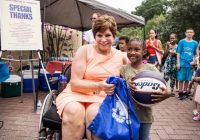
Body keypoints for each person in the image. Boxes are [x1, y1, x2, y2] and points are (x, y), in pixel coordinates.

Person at [56, 15, 127, 140]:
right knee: (73, 111)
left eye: (107, 35)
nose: (103, 39)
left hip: (105, 98)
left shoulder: (121, 57)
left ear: (114, 36)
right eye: (99, 35)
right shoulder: (85, 50)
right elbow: (75, 84)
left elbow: (135, 76)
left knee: (96, 113)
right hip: (76, 93)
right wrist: (99, 86)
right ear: (94, 36)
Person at [120, 37, 171, 140]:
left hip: (145, 114)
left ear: (143, 52)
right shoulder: (124, 69)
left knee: (144, 137)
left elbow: (164, 84)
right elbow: (120, 89)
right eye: (129, 49)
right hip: (128, 113)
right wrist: (125, 83)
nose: (132, 52)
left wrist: (168, 93)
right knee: (129, 137)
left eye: (136, 49)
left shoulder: (150, 68)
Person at [176, 28, 199, 100]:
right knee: (181, 79)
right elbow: (178, 52)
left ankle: (185, 92)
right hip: (182, 63)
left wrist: (195, 62)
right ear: (185, 33)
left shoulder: (195, 43)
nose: (189, 33)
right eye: (188, 32)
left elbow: (195, 54)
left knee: (187, 79)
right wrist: (178, 63)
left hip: (190, 64)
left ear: (193, 33)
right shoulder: (181, 42)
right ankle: (180, 93)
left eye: (191, 32)